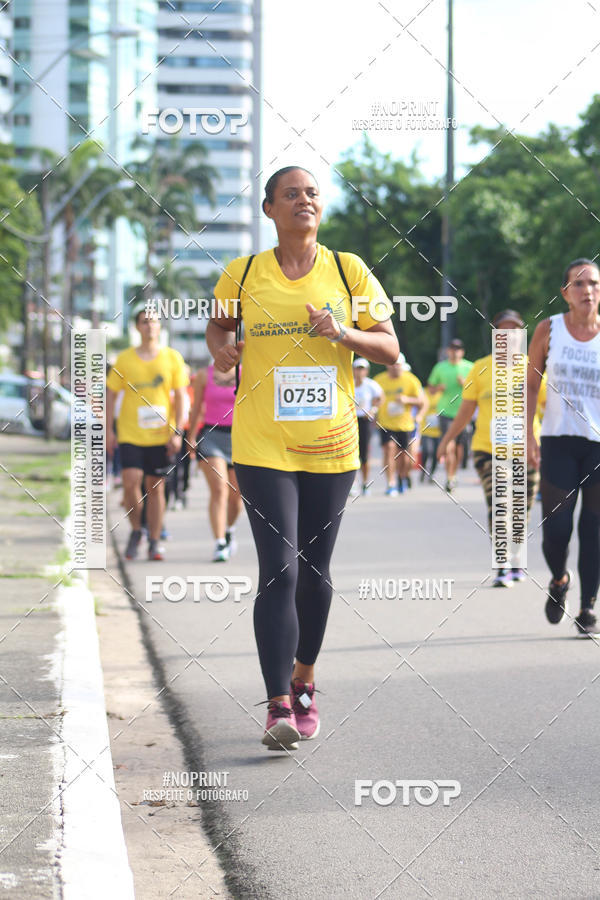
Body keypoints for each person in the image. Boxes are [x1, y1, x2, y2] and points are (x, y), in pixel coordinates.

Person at [207, 165, 398, 750]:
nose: (304, 201)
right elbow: (217, 333)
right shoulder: (241, 275)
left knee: (314, 573)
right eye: (291, 194)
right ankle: (277, 706)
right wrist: (224, 352)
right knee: (280, 570)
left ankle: (306, 675)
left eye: (312, 193)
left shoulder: (349, 270)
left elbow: (390, 349)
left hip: (332, 443)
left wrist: (342, 333)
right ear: (269, 209)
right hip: (262, 443)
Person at [437, 310, 540, 586]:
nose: (508, 336)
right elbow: (465, 410)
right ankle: (502, 563)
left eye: (514, 331)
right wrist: (446, 441)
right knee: (499, 504)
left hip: (526, 451)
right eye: (502, 331)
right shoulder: (480, 368)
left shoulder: (534, 367)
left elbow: (550, 409)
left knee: (521, 509)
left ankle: (516, 557)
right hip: (488, 449)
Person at [527, 258, 600, 634]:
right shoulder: (549, 329)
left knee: (594, 529)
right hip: (557, 440)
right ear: (566, 293)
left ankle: (588, 607)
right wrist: (527, 433)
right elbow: (530, 384)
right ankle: (559, 580)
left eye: (594, 284)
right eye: (580, 284)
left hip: (598, 446)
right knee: (556, 530)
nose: (588, 291)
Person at [106, 307, 188, 561]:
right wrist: (108, 429)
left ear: (160, 326)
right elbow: (111, 395)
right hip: (131, 432)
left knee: (156, 488)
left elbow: (182, 396)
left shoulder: (172, 358)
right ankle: (136, 529)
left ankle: (154, 541)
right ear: (137, 327)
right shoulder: (125, 359)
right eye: (144, 322)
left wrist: (178, 430)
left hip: (161, 434)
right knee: (130, 482)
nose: (150, 326)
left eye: (153, 322)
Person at [187, 364, 243, 562]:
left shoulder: (246, 371)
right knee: (220, 489)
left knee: (237, 498)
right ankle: (219, 543)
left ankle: (229, 529)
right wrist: (191, 437)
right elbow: (196, 408)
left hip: (240, 438)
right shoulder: (204, 374)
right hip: (211, 436)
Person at [374, 354, 425, 496]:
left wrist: (407, 400)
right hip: (386, 424)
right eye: (392, 364)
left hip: (405, 424)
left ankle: (402, 477)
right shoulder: (379, 380)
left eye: (397, 364)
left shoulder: (411, 380)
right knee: (389, 449)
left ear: (402, 366)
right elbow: (373, 400)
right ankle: (391, 483)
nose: (394, 367)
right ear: (387, 364)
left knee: (405, 457)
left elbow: (421, 402)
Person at [428, 338, 473, 492]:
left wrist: (466, 383)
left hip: (464, 412)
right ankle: (449, 478)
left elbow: (477, 388)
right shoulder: (440, 367)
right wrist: (438, 388)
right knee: (449, 445)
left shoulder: (469, 367)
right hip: (445, 411)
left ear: (462, 352)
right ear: (448, 351)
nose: (455, 352)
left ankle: (454, 473)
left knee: (461, 447)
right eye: (452, 349)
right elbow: (431, 388)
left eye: (458, 349)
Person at [352, 357, 383, 495]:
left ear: (366, 371)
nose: (359, 372)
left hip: (364, 421)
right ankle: (353, 484)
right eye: (357, 369)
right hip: (350, 420)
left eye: (362, 369)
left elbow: (380, 398)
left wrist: (373, 411)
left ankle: (365, 483)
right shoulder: (349, 382)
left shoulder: (371, 384)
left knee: (364, 454)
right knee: (351, 453)